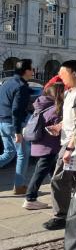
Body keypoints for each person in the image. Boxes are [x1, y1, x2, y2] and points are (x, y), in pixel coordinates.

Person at [43, 61, 76, 230]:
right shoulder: (69, 93)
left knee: (59, 179)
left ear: (74, 74)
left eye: (63, 74)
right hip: (68, 142)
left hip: (75, 144)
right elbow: (71, 119)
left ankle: (61, 216)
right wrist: (59, 126)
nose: (60, 77)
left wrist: (70, 148)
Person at [22, 82, 64, 210]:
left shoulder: (41, 105)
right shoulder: (55, 109)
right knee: (40, 173)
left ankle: (60, 195)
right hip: (49, 146)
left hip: (40, 144)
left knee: (53, 172)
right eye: (64, 91)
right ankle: (30, 198)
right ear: (58, 93)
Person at [0, 59, 33, 194]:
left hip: (2, 123)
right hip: (13, 125)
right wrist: (18, 131)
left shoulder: (6, 83)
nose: (33, 72)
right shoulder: (21, 87)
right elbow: (16, 110)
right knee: (23, 154)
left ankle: (19, 185)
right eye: (31, 69)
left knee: (8, 153)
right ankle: (19, 186)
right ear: (26, 71)